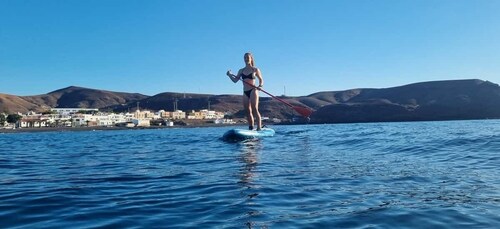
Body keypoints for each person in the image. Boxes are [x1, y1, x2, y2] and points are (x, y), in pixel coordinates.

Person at [226, 52, 264, 131]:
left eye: (247, 57)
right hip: (245, 92)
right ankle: (251, 127)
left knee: (254, 109)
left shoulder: (255, 69)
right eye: (245, 57)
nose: (246, 59)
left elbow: (261, 80)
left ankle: (259, 128)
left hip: (253, 90)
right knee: (247, 111)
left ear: (251, 59)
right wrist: (230, 75)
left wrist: (260, 86)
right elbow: (235, 80)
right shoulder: (241, 70)